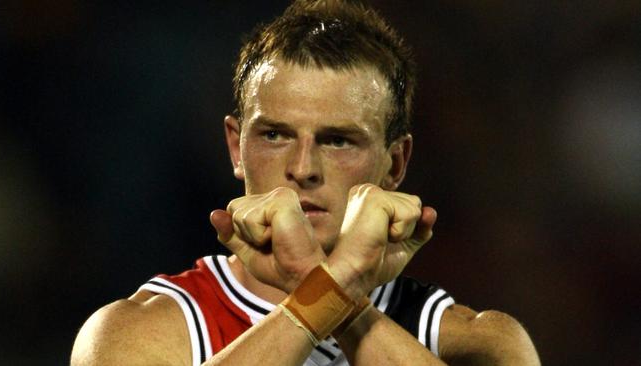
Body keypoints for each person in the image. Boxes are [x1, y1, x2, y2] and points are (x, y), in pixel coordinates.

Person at [71, 1, 540, 365]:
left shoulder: (477, 343)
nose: (303, 167)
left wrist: (329, 291)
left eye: (337, 141)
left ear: (395, 164)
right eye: (275, 135)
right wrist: (334, 289)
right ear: (237, 147)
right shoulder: (138, 332)